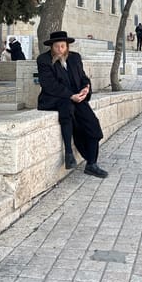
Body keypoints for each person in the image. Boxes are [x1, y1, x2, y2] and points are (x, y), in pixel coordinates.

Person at [36, 30, 108, 178]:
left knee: (92, 125)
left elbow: (83, 77)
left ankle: (91, 164)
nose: (60, 50)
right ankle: (68, 153)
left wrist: (86, 88)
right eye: (57, 47)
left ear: (67, 46)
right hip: (55, 98)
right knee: (67, 108)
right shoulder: (44, 60)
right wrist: (70, 95)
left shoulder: (75, 58)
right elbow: (49, 84)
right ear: (52, 47)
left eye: (63, 46)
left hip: (77, 98)